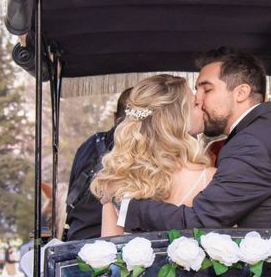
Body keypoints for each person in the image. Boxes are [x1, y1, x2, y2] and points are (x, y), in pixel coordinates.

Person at [118, 50, 271, 232]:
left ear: (241, 93)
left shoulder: (251, 143)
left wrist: (128, 207)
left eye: (207, 89)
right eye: (197, 91)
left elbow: (201, 221)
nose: (199, 100)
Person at [90, 74, 216, 236]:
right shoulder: (210, 179)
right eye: (195, 104)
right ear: (177, 118)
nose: (202, 107)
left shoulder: (119, 180)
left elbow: (108, 253)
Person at [64, 87, 132, 241]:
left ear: (115, 117)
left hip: (77, 238)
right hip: (121, 246)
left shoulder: (87, 145)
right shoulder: (143, 147)